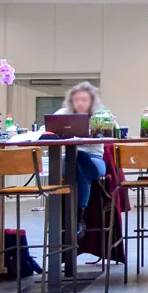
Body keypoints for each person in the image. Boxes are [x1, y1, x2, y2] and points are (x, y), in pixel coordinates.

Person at [56, 81, 107, 218]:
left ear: (92, 101)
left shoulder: (101, 116)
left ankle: (78, 216)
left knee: (80, 158)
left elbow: (114, 133)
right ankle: (81, 214)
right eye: (77, 100)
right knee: (76, 158)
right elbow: (47, 131)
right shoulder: (62, 114)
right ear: (71, 101)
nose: (80, 103)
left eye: (84, 100)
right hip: (66, 160)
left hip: (94, 159)